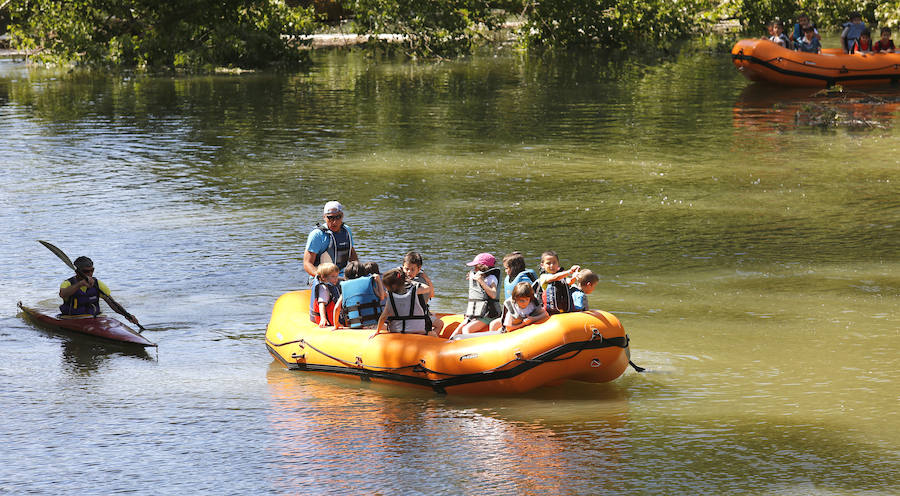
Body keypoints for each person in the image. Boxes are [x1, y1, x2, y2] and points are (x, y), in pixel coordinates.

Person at [303, 201, 358, 282]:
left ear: (342, 216)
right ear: (324, 217)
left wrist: (359, 272)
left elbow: (352, 256)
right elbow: (307, 264)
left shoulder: (346, 230)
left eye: (338, 217)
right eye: (330, 218)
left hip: (342, 276)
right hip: (322, 278)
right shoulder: (317, 235)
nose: (334, 222)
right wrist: (321, 277)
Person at [372, 268, 434, 337]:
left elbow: (383, 316)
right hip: (418, 332)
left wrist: (377, 331)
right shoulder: (415, 291)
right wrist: (411, 281)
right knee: (432, 333)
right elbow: (428, 288)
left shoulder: (391, 296)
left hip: (397, 332)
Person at [454, 253, 501, 336]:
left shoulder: (492, 278)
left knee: (466, 329)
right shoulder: (477, 275)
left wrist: (481, 281)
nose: (474, 269)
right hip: (477, 313)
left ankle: (470, 347)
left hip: (488, 314)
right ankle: (449, 344)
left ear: (483, 267)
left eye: (476, 267)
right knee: (459, 328)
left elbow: (493, 294)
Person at [333, 261, 385, 329]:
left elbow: (337, 308)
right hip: (374, 325)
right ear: (364, 272)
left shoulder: (346, 287)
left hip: (354, 326)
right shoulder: (370, 283)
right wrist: (378, 281)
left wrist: (336, 324)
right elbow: (382, 297)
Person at [400, 251, 442, 335]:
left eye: (412, 269)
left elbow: (431, 295)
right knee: (440, 324)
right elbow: (431, 295)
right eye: (407, 269)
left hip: (411, 317)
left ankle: (426, 337)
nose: (409, 272)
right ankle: (428, 338)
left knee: (436, 320)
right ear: (402, 267)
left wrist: (428, 280)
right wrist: (427, 280)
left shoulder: (399, 280)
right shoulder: (420, 282)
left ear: (419, 269)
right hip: (415, 318)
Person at [534, 250, 580, 315]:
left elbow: (569, 282)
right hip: (549, 312)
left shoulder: (562, 276)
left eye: (554, 262)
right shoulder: (543, 277)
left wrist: (574, 276)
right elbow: (554, 278)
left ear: (558, 264)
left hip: (565, 310)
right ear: (542, 265)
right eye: (548, 263)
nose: (552, 265)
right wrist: (570, 271)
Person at [309, 263, 340, 327]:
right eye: (333, 276)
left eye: (337, 276)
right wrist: (323, 318)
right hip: (328, 321)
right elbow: (321, 304)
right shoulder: (324, 289)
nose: (336, 279)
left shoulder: (329, 286)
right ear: (323, 277)